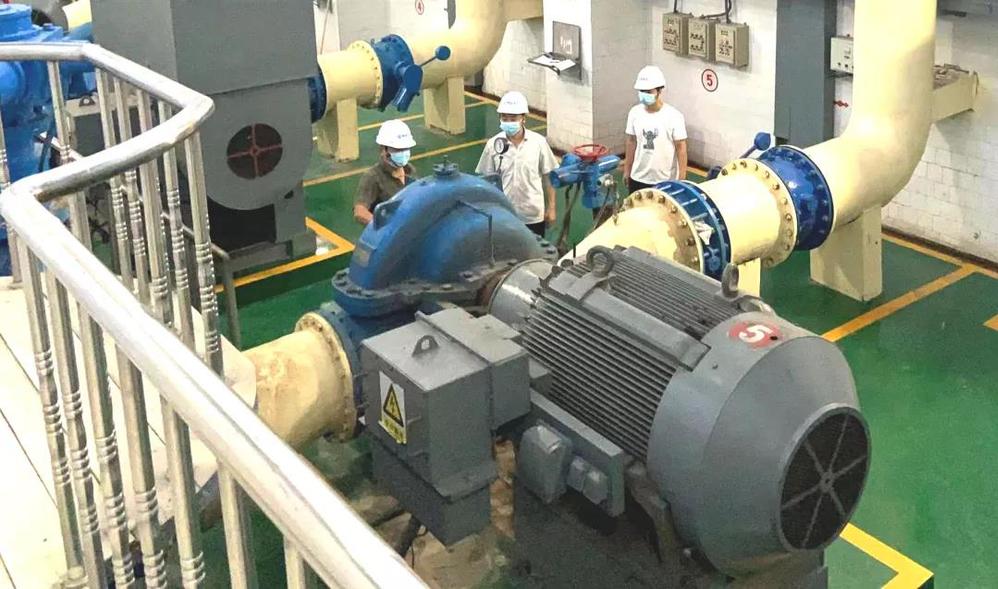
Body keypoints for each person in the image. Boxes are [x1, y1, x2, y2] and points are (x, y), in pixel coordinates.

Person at [476, 91, 558, 237]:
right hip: (504, 215)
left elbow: (549, 176)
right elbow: (485, 181)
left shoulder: (538, 143)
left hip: (533, 215)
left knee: (535, 250)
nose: (508, 122)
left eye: (513, 118)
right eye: (504, 118)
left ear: (523, 118)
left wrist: (551, 208)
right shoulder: (493, 145)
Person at [622, 65, 688, 195]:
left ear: (659, 91)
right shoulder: (634, 113)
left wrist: (681, 179)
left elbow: (681, 148)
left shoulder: (674, 116)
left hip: (665, 181)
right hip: (638, 178)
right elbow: (631, 142)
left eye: (648, 92)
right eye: (641, 91)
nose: (644, 94)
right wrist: (627, 170)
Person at [354, 119, 418, 225]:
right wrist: (386, 227)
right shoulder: (373, 177)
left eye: (406, 148)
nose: (403, 153)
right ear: (383, 150)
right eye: (397, 149)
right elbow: (360, 212)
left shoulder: (410, 170)